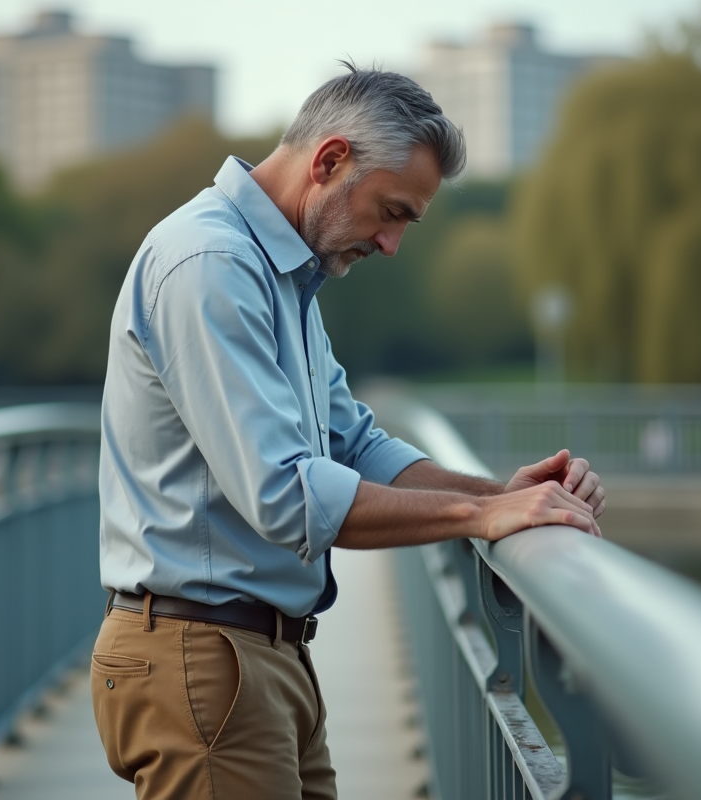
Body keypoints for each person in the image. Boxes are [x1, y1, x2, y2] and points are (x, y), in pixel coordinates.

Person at [91, 64, 606, 800]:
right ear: (330, 161)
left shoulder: (283, 275)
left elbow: (356, 445)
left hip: (262, 656)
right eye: (392, 211)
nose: (392, 244)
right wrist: (480, 516)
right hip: (200, 656)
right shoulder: (210, 264)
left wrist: (501, 494)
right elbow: (287, 495)